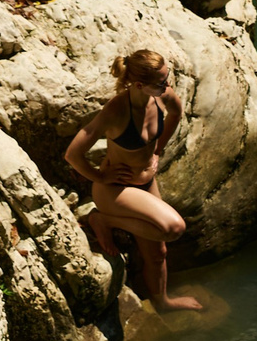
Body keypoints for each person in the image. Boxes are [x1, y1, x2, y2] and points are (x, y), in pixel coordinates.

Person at [63, 48, 204, 313]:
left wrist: (158, 150)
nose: (168, 85)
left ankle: (162, 301)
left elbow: (176, 114)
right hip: (115, 189)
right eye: (161, 81)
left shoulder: (163, 96)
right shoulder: (116, 110)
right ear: (140, 85)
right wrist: (100, 175)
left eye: (167, 77)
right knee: (174, 228)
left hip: (146, 183)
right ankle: (102, 219)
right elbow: (73, 153)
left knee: (158, 252)